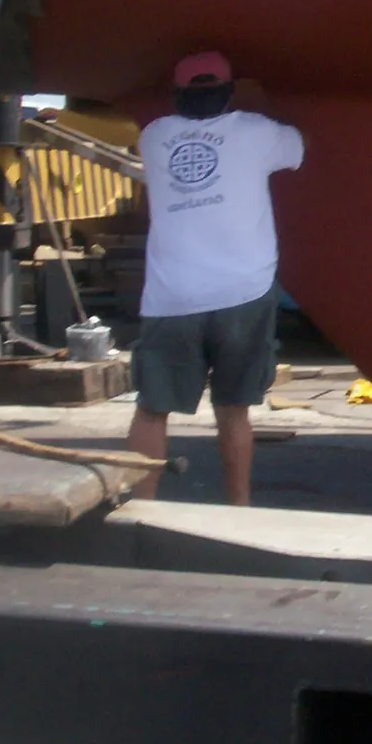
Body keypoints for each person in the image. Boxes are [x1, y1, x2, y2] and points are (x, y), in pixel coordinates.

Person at [126, 52, 304, 504]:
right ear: (229, 92)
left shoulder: (154, 137)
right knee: (233, 410)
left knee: (152, 410)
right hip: (243, 291)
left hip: (173, 297)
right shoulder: (256, 131)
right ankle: (238, 508)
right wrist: (259, 101)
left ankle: (141, 507)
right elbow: (298, 149)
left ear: (177, 94)